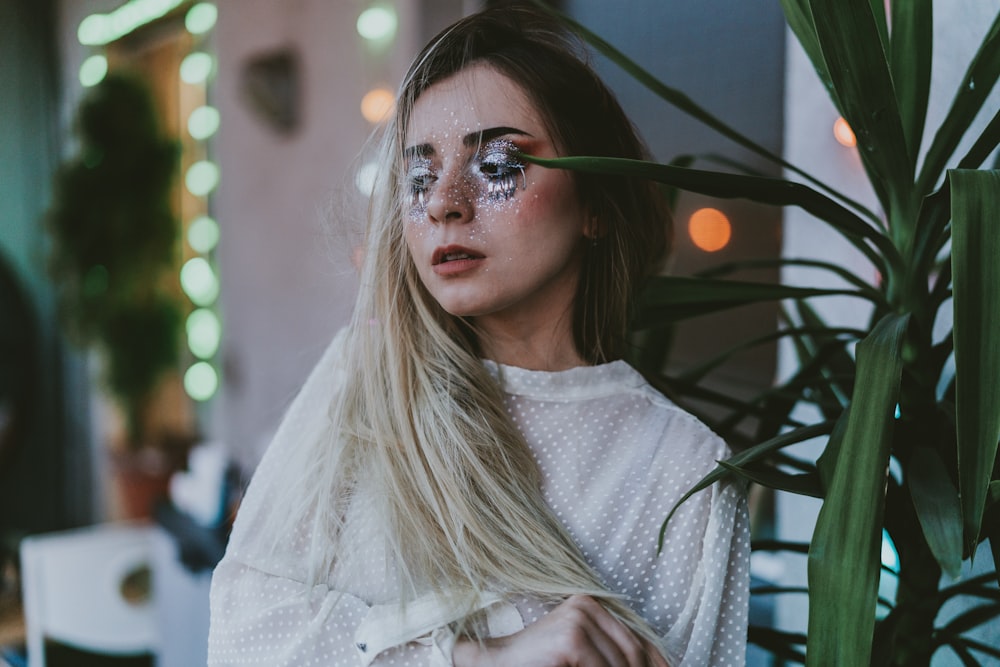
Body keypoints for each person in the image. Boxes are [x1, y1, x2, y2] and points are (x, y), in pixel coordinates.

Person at [208, 5, 750, 666]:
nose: (443, 202)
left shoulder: (683, 472)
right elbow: (241, 632)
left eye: (496, 165)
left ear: (597, 207)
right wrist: (475, 658)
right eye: (419, 175)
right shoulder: (365, 384)